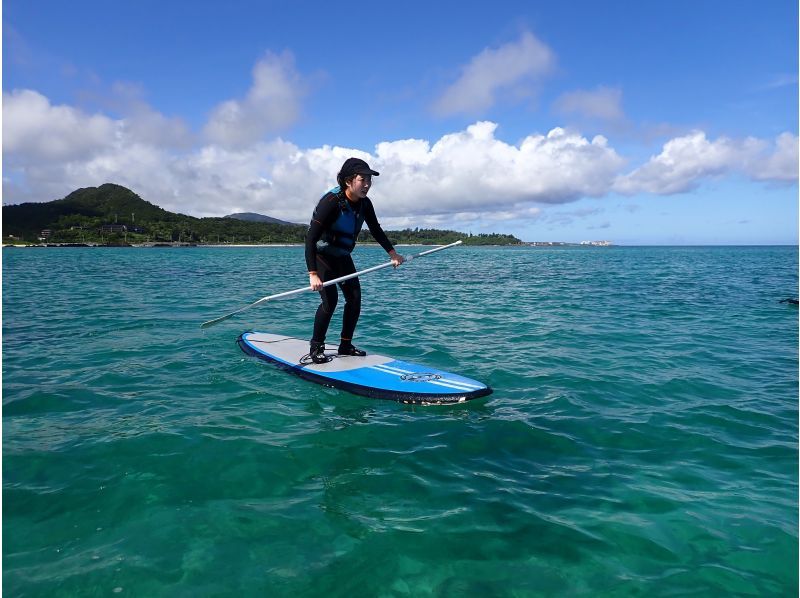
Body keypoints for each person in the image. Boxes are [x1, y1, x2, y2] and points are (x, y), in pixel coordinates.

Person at [305, 157, 404, 364]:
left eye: (369, 180)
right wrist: (312, 274)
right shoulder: (331, 202)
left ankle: (346, 345)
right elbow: (311, 237)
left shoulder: (365, 204)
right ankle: (316, 348)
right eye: (363, 179)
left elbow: (375, 229)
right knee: (330, 301)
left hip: (342, 256)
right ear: (349, 180)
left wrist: (392, 253)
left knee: (355, 298)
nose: (367, 184)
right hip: (322, 257)